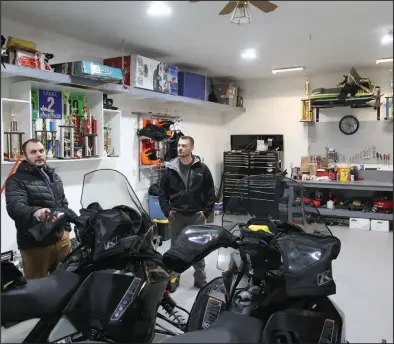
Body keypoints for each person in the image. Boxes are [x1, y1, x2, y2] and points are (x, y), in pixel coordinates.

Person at [5, 138, 71, 279]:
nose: (39, 154)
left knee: (64, 282)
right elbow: (15, 207)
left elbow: (63, 202)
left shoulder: (54, 176)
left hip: (61, 239)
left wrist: (66, 229)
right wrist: (35, 211)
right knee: (36, 289)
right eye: (33, 152)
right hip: (35, 245)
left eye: (41, 151)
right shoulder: (16, 180)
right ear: (24, 156)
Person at [159, 136, 216, 289]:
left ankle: (200, 280)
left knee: (198, 248)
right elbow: (162, 193)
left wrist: (205, 212)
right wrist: (166, 211)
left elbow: (211, 192)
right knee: (176, 249)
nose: (180, 148)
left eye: (184, 146)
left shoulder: (202, 169)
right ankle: (174, 278)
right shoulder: (170, 169)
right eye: (178, 146)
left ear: (191, 148)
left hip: (196, 216)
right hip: (176, 216)